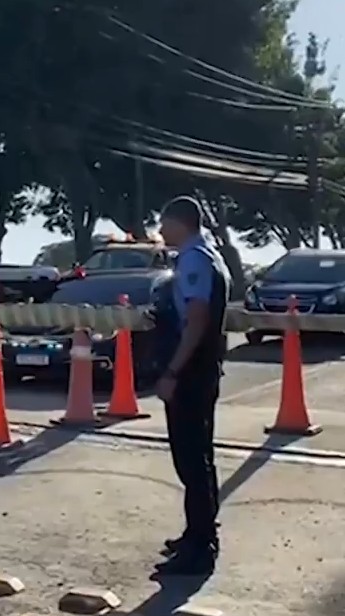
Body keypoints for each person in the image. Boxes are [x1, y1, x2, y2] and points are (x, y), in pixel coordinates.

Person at [153, 196, 230, 576]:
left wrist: (172, 371)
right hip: (203, 368)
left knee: (191, 459)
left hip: (192, 370)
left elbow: (197, 319)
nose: (160, 230)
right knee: (200, 457)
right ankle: (198, 532)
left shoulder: (195, 259)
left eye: (163, 222)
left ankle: (200, 548)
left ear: (179, 222)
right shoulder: (209, 255)